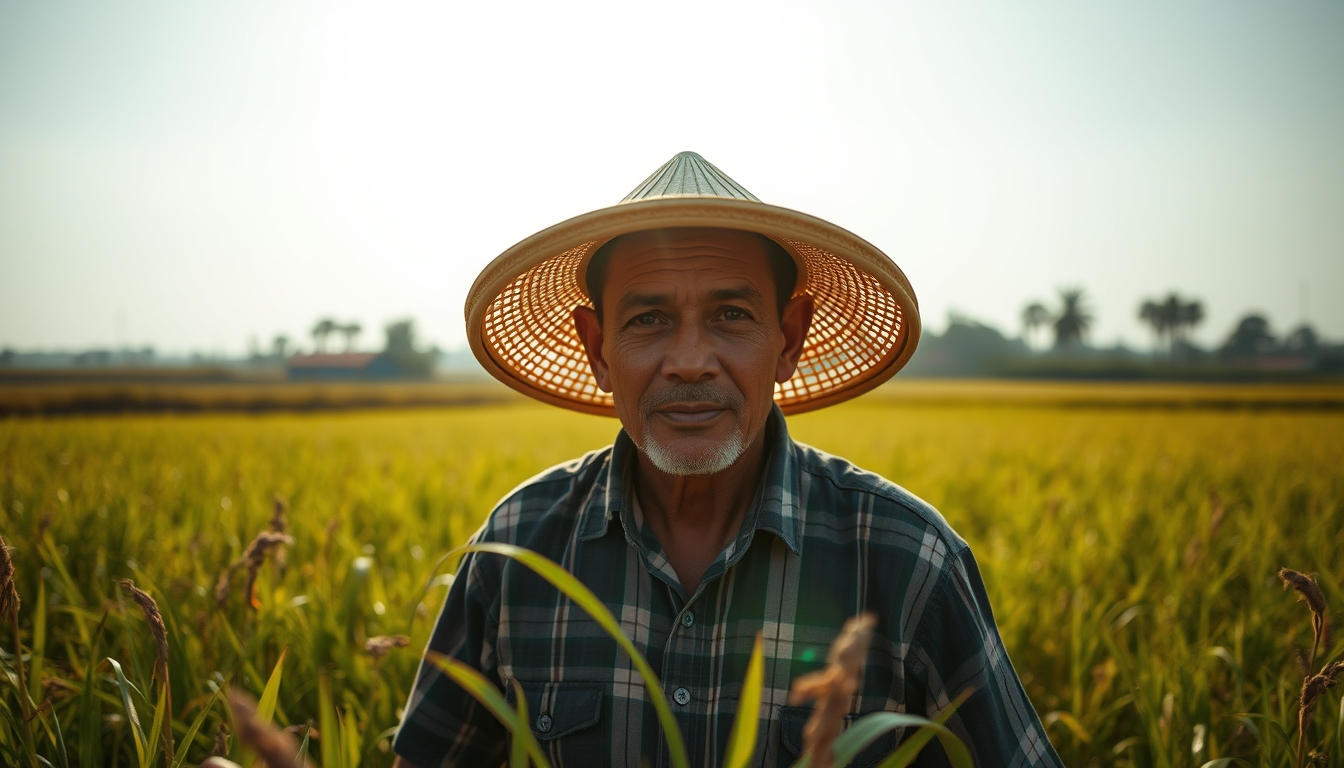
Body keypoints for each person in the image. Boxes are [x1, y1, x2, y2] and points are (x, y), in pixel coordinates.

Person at [393, 152, 1062, 767]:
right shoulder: (517, 551)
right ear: (598, 348)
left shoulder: (906, 560)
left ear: (789, 338)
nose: (688, 362)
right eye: (649, 320)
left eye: (732, 314)